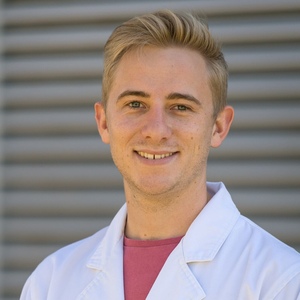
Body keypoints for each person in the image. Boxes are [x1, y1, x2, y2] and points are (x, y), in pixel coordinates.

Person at [20, 10, 300, 300]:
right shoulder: (51, 282)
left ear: (218, 127)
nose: (156, 130)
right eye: (135, 104)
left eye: (180, 107)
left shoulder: (282, 283)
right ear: (104, 122)